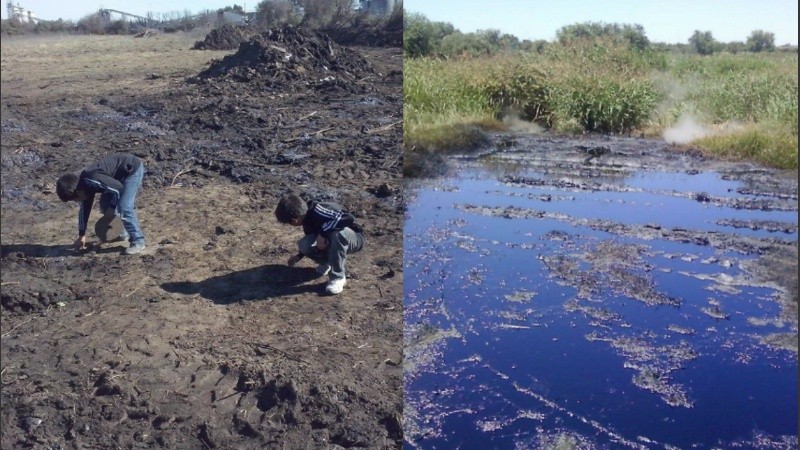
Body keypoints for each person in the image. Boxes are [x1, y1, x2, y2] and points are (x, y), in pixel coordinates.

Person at [56, 153, 146, 255]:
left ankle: (138, 241)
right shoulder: (82, 188)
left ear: (76, 191)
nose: (77, 201)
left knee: (124, 206)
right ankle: (122, 233)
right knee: (104, 205)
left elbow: (119, 189)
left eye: (75, 199)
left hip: (131, 171)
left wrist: (112, 207)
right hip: (115, 180)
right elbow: (84, 210)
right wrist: (81, 234)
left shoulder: (92, 179)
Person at [275, 193, 365, 295]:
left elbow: (347, 218)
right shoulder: (306, 219)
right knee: (304, 243)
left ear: (294, 220)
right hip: (333, 240)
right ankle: (327, 264)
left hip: (354, 238)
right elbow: (311, 240)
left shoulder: (318, 210)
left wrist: (322, 233)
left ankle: (338, 277)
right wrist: (299, 256)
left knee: (337, 234)